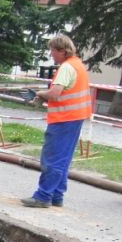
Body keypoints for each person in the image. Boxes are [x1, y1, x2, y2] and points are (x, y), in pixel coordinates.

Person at [21, 34, 93, 208]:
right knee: (64, 159)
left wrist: (39, 94)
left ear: (62, 50)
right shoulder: (78, 65)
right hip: (75, 119)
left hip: (63, 119)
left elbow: (55, 93)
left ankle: (43, 196)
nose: (51, 54)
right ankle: (56, 195)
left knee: (52, 159)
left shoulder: (67, 68)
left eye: (52, 50)